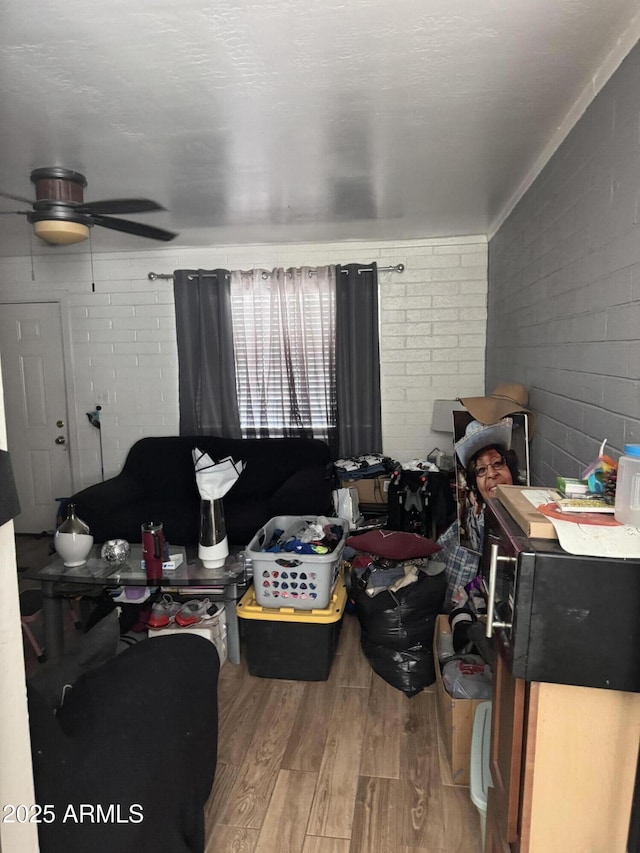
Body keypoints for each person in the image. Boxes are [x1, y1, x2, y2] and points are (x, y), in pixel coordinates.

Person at [434, 417, 523, 610]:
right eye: (481, 470)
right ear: (475, 486)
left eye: (498, 463)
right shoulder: (472, 520)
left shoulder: (525, 517)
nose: (492, 474)